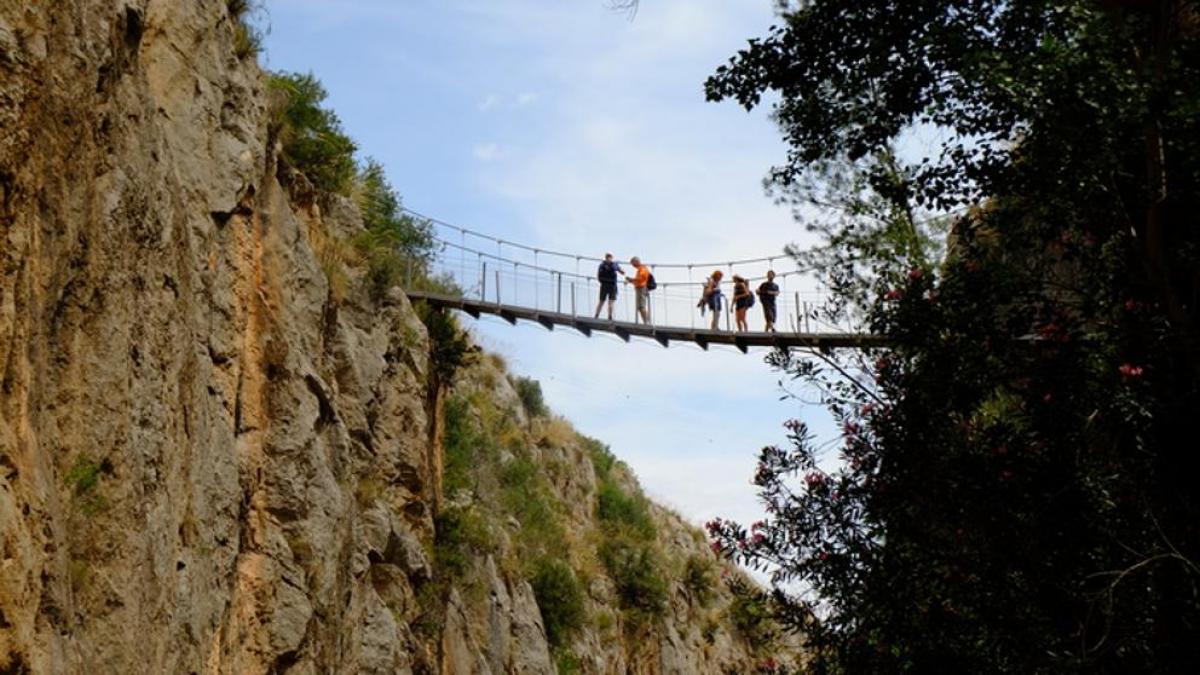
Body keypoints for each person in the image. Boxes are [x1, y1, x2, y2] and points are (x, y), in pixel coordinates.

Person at [594, 253, 623, 320]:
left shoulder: (603, 265)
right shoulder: (609, 265)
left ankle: (607, 316)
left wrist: (618, 268)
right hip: (609, 285)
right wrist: (617, 268)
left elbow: (623, 272)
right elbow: (623, 272)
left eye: (609, 258)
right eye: (609, 257)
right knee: (603, 301)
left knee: (608, 301)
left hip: (607, 285)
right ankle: (598, 315)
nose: (609, 259)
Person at [624, 256, 652, 324]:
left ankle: (647, 322)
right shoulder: (639, 269)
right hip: (638, 288)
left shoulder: (643, 268)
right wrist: (630, 281)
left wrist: (631, 279)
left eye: (633, 263)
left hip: (642, 288)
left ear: (637, 261)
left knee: (642, 306)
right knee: (639, 307)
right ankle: (645, 322)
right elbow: (637, 280)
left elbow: (641, 278)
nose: (633, 266)